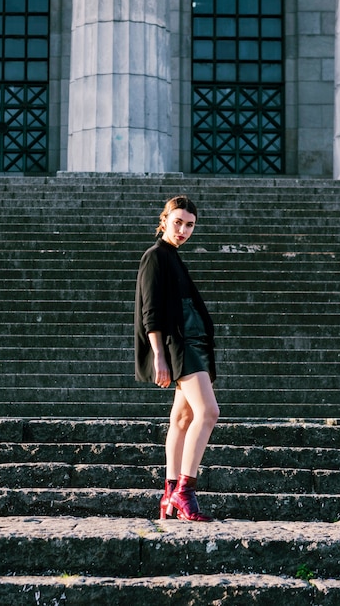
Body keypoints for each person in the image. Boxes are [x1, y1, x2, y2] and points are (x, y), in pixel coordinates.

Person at [135, 195, 219, 522]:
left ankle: (169, 493)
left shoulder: (173, 257)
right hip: (179, 347)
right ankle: (185, 490)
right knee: (209, 412)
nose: (183, 230)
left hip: (193, 345)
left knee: (182, 420)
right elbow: (150, 311)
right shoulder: (156, 256)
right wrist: (159, 356)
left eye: (190, 225)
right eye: (178, 222)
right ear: (165, 219)